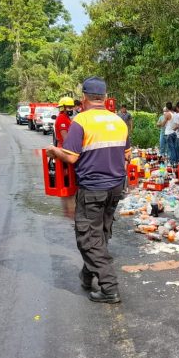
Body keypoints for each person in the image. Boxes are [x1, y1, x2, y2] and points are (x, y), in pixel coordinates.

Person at [46, 77, 130, 304]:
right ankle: (87, 275)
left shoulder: (81, 121)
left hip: (93, 188)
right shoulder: (119, 121)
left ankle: (109, 287)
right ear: (104, 97)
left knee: (88, 238)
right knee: (100, 233)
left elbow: (72, 157)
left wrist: (55, 152)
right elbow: (126, 155)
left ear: (83, 97)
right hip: (115, 187)